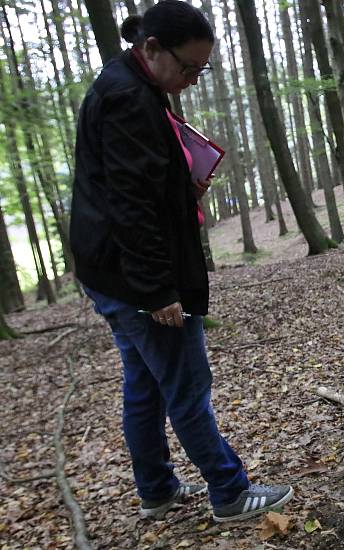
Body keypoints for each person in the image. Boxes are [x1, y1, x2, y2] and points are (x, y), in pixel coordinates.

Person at [69, 0, 292, 522]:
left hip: (109, 271)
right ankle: (230, 492)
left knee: (144, 384)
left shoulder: (132, 83)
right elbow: (130, 209)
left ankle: (156, 488)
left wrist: (181, 185)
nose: (193, 78)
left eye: (201, 69)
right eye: (188, 67)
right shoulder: (129, 98)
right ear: (151, 48)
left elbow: (135, 184)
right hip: (134, 276)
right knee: (186, 385)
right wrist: (158, 292)